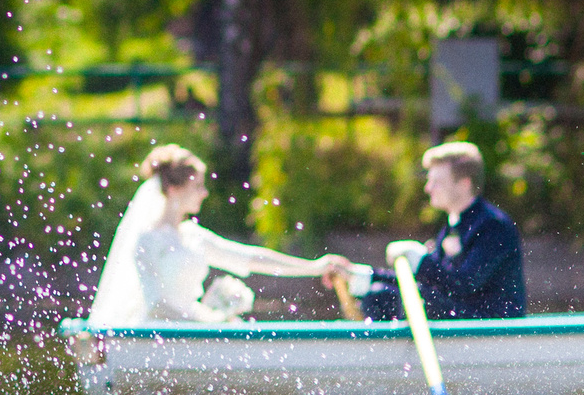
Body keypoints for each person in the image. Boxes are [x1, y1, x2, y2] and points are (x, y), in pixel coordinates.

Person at [89, 144, 354, 325]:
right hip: (160, 336)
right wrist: (210, 322)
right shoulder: (146, 240)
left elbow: (251, 258)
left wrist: (313, 266)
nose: (204, 194)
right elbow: (156, 305)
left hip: (194, 330)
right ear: (173, 189)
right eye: (198, 186)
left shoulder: (193, 235)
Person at [348, 139, 527, 321]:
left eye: (437, 182)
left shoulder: (493, 226)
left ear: (464, 184)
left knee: (422, 298)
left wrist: (419, 259)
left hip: (493, 324)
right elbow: (433, 278)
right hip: (462, 315)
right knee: (378, 296)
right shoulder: (452, 224)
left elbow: (464, 284)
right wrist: (362, 275)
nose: (428, 188)